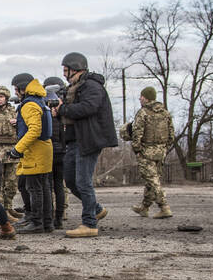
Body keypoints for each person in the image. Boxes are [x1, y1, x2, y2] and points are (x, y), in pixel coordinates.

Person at [57, 52, 119, 238]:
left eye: (66, 70)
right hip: (74, 139)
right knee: (71, 181)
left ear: (75, 68)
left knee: (83, 182)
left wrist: (63, 109)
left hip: (88, 139)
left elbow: (88, 107)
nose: (64, 74)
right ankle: (97, 209)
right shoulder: (76, 87)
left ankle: (89, 223)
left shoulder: (92, 86)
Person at [9, 73, 54, 233]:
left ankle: (36, 222)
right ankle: (46, 222)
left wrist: (17, 149)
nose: (15, 92)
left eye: (16, 89)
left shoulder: (29, 105)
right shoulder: (39, 101)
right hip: (44, 148)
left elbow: (34, 130)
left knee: (34, 188)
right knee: (43, 187)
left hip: (35, 151)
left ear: (22, 88)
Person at [130, 85, 175, 218]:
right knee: (152, 180)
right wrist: (163, 148)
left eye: (141, 97)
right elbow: (171, 135)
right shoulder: (165, 113)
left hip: (146, 152)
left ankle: (164, 206)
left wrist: (137, 150)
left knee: (153, 180)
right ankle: (144, 207)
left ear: (145, 98)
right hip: (161, 152)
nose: (140, 99)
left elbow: (136, 133)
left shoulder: (143, 113)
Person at [0, 86, 21, 221]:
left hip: (11, 151)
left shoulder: (13, 111)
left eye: (1, 97)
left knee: (11, 183)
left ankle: (8, 208)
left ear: (6, 98)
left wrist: (18, 122)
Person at [42, 76, 68, 229]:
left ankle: (50, 217)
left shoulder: (46, 109)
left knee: (48, 185)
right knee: (58, 186)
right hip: (62, 152)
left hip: (50, 151)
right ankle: (59, 217)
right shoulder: (64, 108)